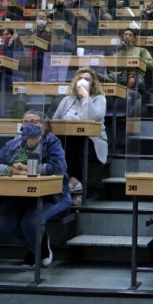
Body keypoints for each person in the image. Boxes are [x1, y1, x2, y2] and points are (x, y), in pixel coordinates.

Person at [0, 110, 70, 267]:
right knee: (4, 222)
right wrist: (12, 170)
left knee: (30, 223)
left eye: (33, 122)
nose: (28, 125)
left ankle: (34, 250)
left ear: (43, 127)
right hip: (19, 194)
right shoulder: (13, 144)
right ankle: (41, 240)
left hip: (52, 195)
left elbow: (58, 168)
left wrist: (30, 168)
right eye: (25, 122)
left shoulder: (52, 142)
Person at [52, 67, 107, 204]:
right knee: (62, 142)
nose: (83, 81)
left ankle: (73, 183)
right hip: (66, 139)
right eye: (80, 79)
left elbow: (91, 119)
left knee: (76, 140)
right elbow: (55, 121)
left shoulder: (99, 99)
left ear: (93, 83)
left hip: (92, 140)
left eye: (87, 79)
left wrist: (85, 98)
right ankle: (70, 183)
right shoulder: (67, 100)